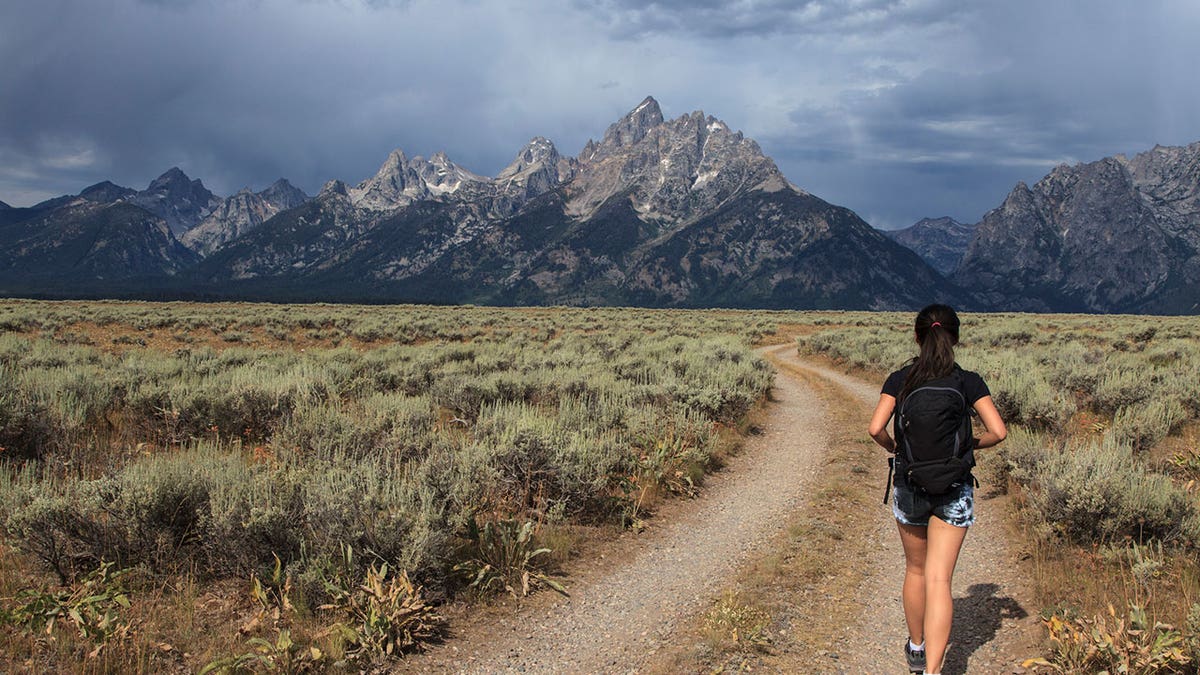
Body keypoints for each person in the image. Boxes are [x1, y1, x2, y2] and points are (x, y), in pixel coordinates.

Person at [867, 304, 1007, 675]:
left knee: (915, 569)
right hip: (954, 486)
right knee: (939, 579)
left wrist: (895, 449)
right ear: (956, 339)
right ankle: (933, 672)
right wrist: (969, 446)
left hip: (909, 483)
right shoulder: (968, 381)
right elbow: (1000, 432)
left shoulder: (900, 379)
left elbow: (875, 428)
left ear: (917, 336)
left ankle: (916, 648)